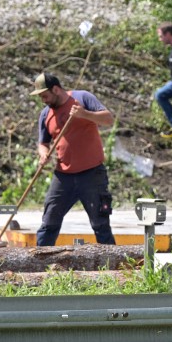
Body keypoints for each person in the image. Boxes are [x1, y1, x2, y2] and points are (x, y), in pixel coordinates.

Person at [31, 72, 116, 246]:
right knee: (49, 223)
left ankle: (114, 268)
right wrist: (43, 153)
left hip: (92, 174)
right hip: (63, 177)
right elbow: (43, 143)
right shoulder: (46, 114)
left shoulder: (82, 98)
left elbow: (108, 119)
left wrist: (84, 114)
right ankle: (39, 264)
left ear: (55, 89)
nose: (43, 100)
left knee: (100, 225)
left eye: (45, 96)